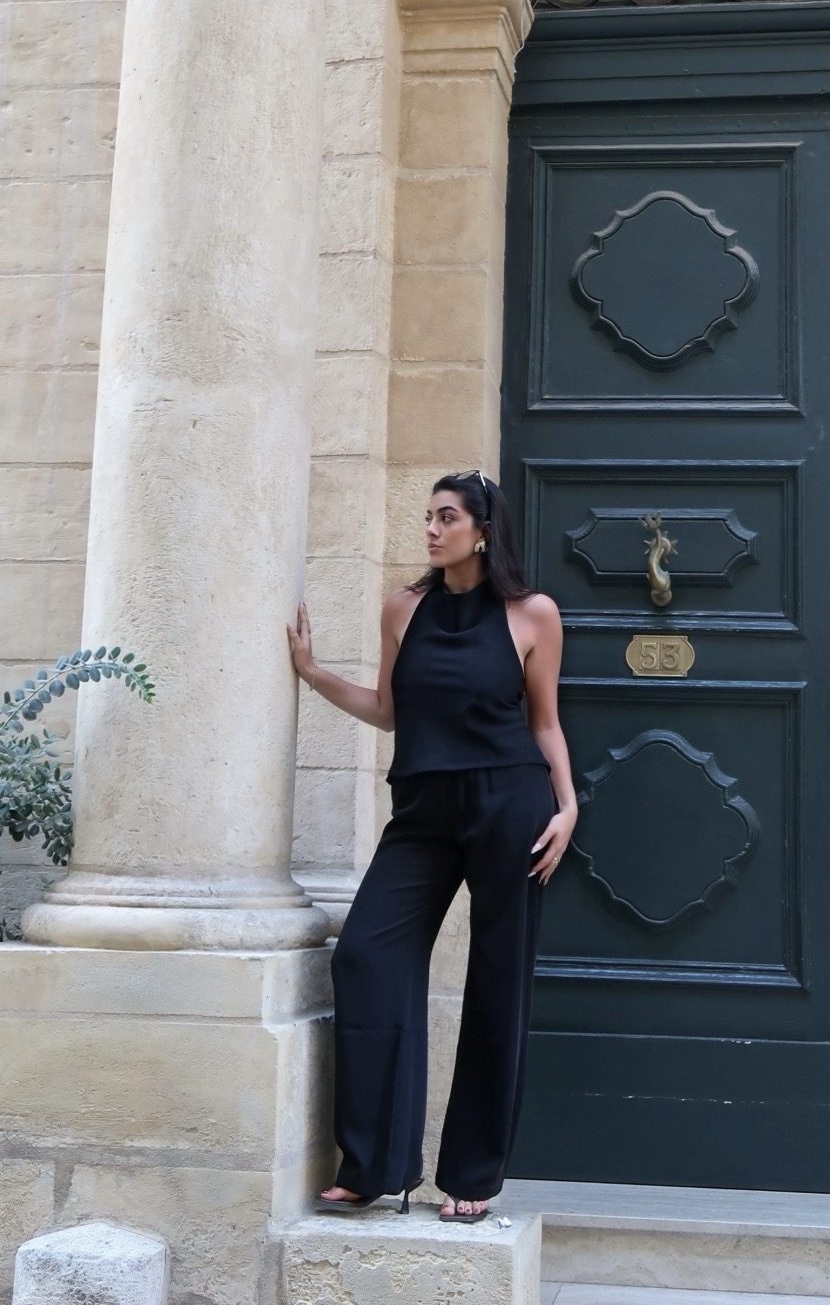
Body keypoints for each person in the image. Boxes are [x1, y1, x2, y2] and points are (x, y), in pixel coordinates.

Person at [286, 469, 576, 1223]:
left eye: (446, 517)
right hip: (420, 808)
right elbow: (388, 710)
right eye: (427, 517)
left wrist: (569, 806)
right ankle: (374, 1163)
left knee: (498, 980)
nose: (431, 529)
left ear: (483, 528)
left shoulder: (532, 614)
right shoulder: (402, 609)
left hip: (511, 802)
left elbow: (544, 722)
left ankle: (471, 1176)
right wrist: (314, 675)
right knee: (367, 955)